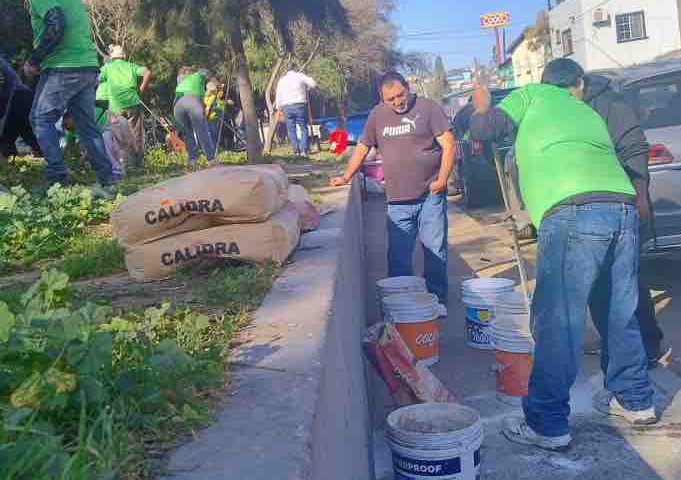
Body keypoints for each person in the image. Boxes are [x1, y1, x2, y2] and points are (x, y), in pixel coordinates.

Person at [469, 58, 656, 451]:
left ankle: (547, 424)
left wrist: (481, 106)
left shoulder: (531, 95)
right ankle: (636, 401)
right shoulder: (587, 112)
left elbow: (486, 130)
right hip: (621, 209)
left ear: (545, 82)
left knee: (559, 320)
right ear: (577, 85)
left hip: (573, 212)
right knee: (619, 311)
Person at [331, 71, 456, 307]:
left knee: (435, 250)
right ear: (382, 98)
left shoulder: (428, 108)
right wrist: (347, 175)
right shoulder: (377, 116)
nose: (398, 101)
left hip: (430, 195)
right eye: (391, 99)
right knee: (398, 257)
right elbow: (362, 147)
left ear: (407, 88)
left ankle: (437, 300)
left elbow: (449, 145)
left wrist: (442, 180)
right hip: (398, 200)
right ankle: (401, 305)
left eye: (400, 95)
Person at [581, 72, 665, 369]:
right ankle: (617, 346)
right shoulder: (564, 109)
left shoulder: (610, 105)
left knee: (628, 282)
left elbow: (635, 149)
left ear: (578, 84)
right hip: (587, 210)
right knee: (598, 286)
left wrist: (640, 196)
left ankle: (648, 346)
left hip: (622, 204)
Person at [13, 0, 115, 195]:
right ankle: (108, 180)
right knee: (86, 125)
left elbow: (56, 24)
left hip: (63, 66)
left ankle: (58, 180)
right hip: (87, 65)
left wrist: (34, 60)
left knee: (40, 118)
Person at [98, 44, 152, 167]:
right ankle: (138, 163)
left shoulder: (108, 68)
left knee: (118, 136)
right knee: (136, 134)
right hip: (133, 103)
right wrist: (141, 89)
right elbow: (147, 72)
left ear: (112, 57)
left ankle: (123, 163)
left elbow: (96, 79)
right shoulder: (131, 66)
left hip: (116, 107)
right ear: (123, 56)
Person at [173, 66, 216, 168]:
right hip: (192, 102)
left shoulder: (181, 82)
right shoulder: (197, 76)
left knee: (188, 134)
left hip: (177, 107)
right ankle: (211, 160)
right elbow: (205, 72)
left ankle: (192, 161)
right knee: (202, 131)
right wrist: (213, 80)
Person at [275, 65, 316, 156]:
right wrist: (307, 88)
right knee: (303, 127)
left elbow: (278, 95)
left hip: (287, 107)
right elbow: (313, 83)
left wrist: (278, 108)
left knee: (291, 130)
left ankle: (296, 151)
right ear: (295, 69)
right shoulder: (300, 76)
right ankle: (304, 150)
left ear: (287, 70)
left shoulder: (282, 80)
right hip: (299, 105)